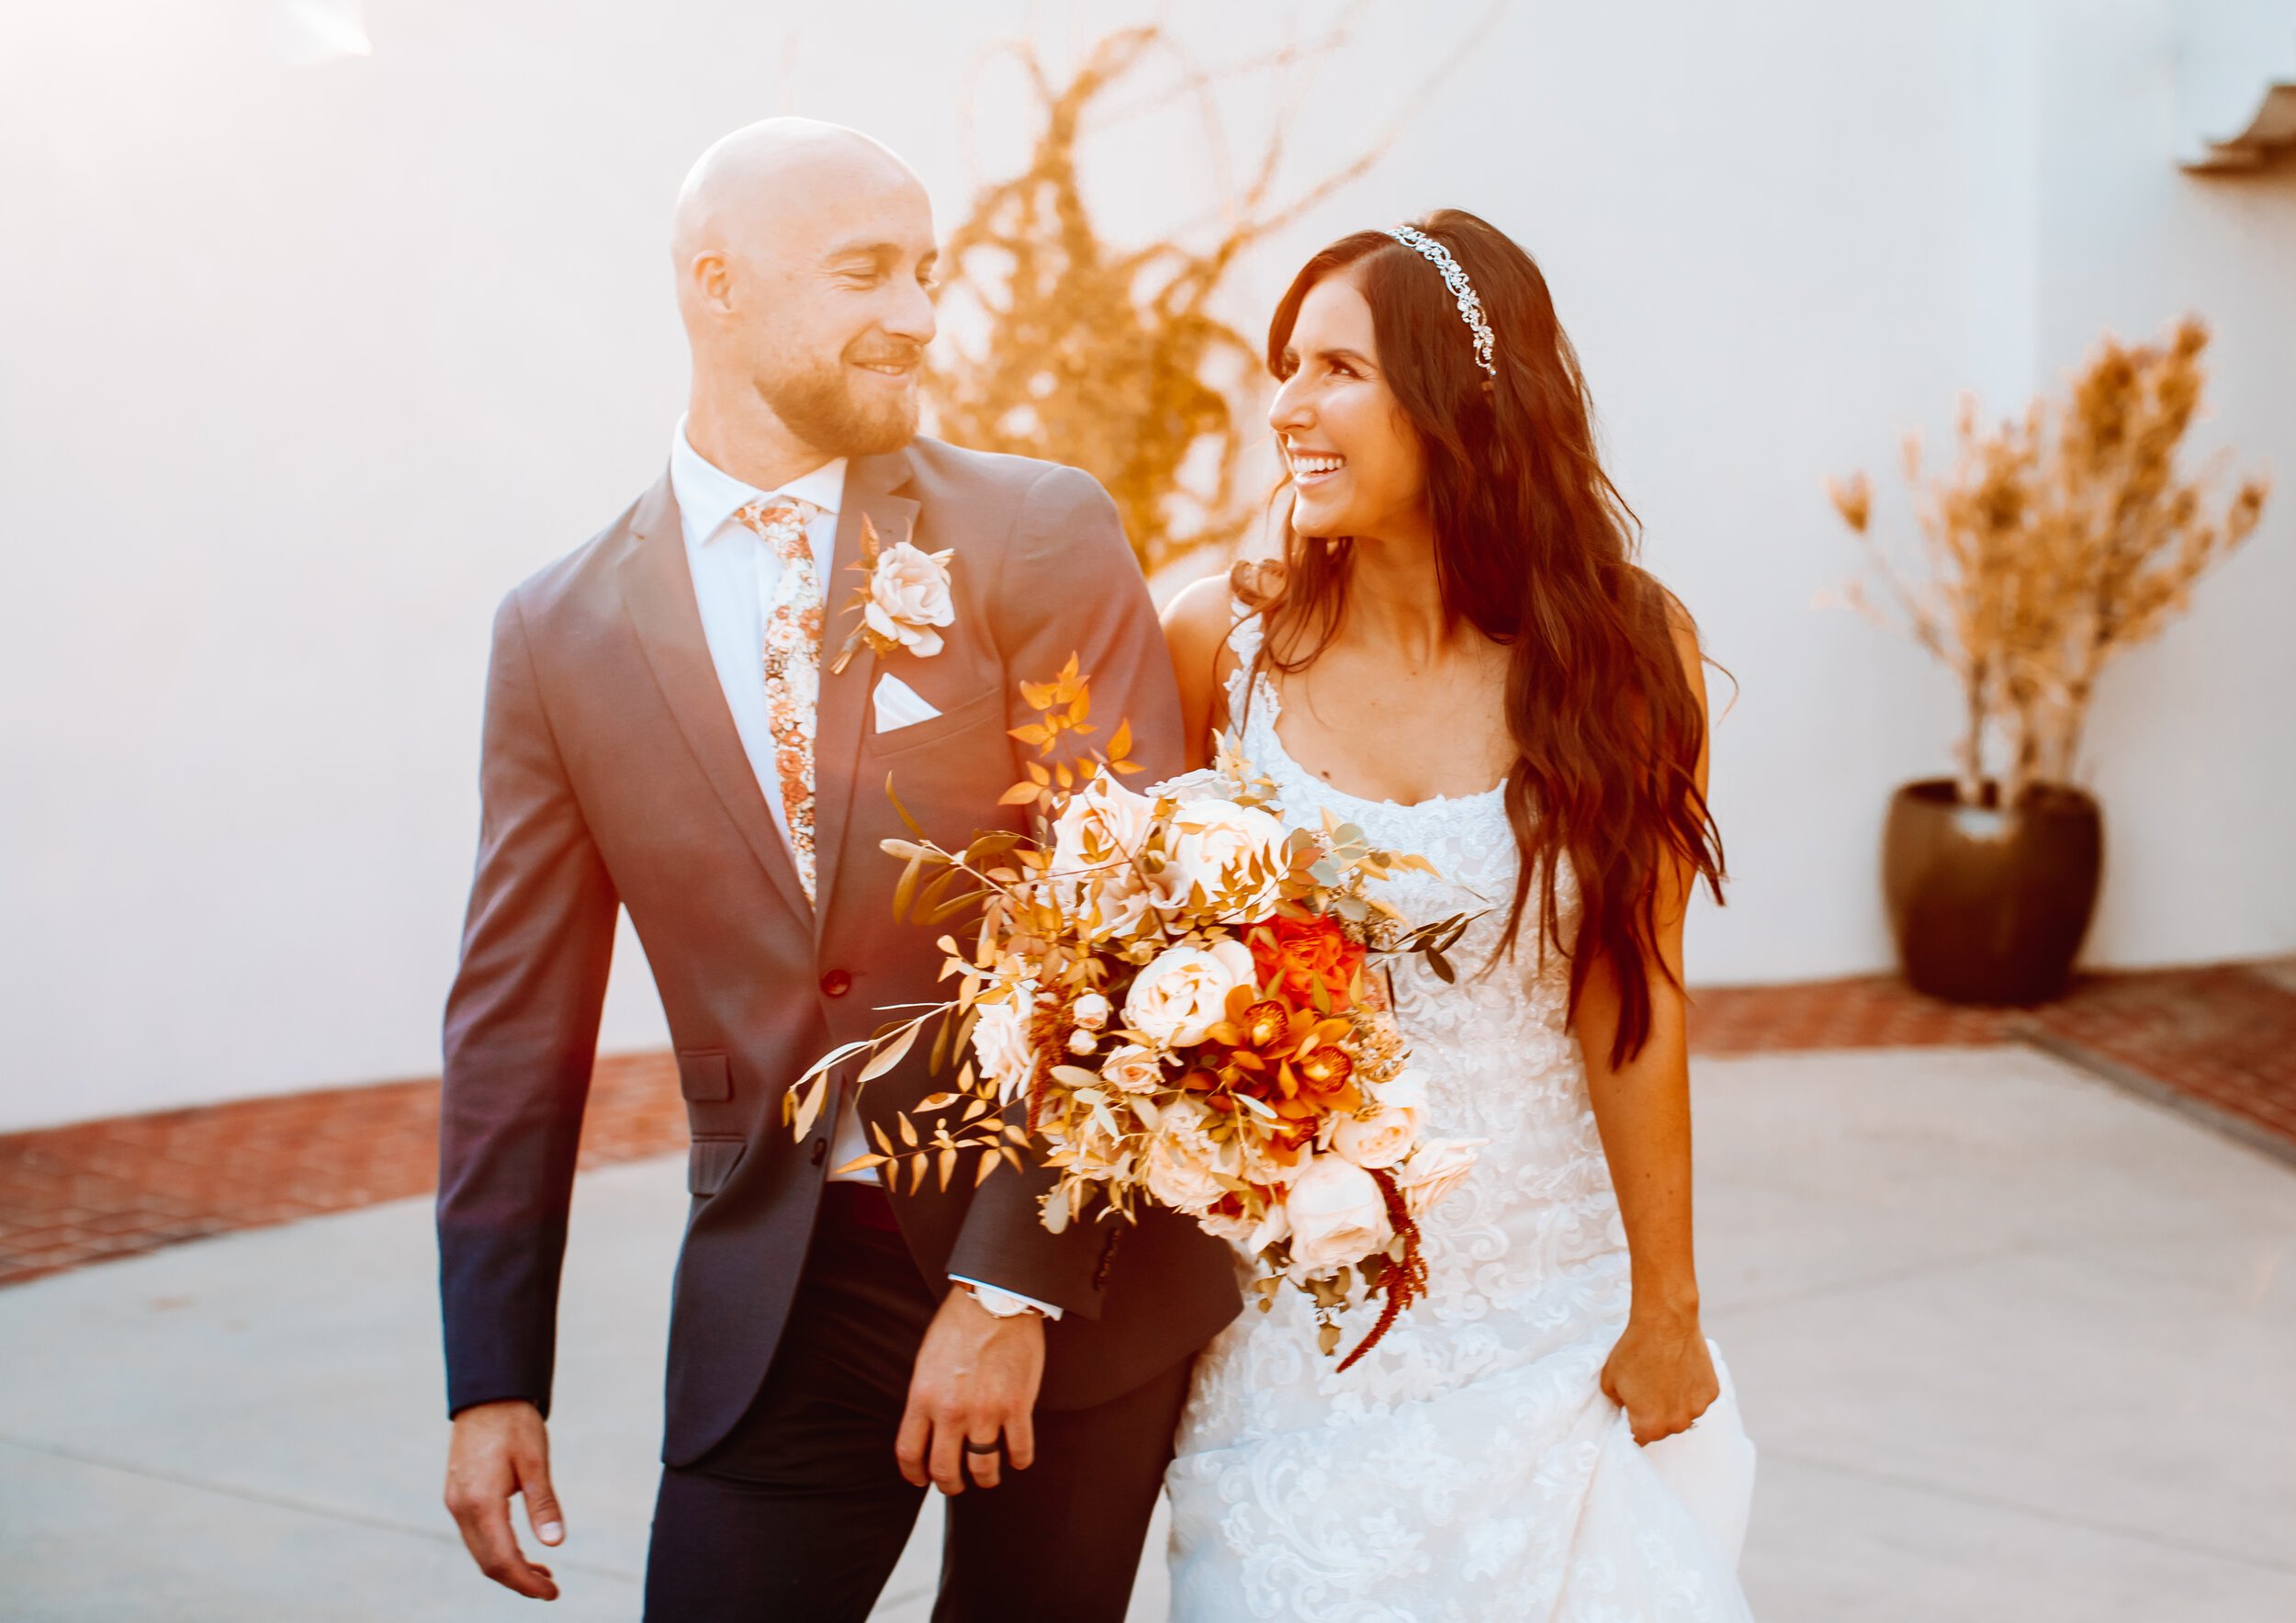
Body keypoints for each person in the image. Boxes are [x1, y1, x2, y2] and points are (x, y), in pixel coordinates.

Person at [433, 118, 1237, 1622]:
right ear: (716, 286)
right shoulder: (557, 635)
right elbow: (511, 1030)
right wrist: (492, 1380)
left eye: (928, 274)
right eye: (868, 272)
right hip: (780, 1294)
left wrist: (1008, 1289)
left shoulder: (1037, 534)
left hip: (1070, 1267)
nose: (921, 316)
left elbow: (1138, 920)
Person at [1158, 210, 1759, 1619]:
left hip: (1554, 1307)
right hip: (1297, 1326)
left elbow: (1633, 990)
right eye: (1284, 367)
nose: (1289, 408)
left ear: (1463, 400)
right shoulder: (1214, 647)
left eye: (1337, 371)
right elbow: (1131, 955)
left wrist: (1665, 1305)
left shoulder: (1624, 653)